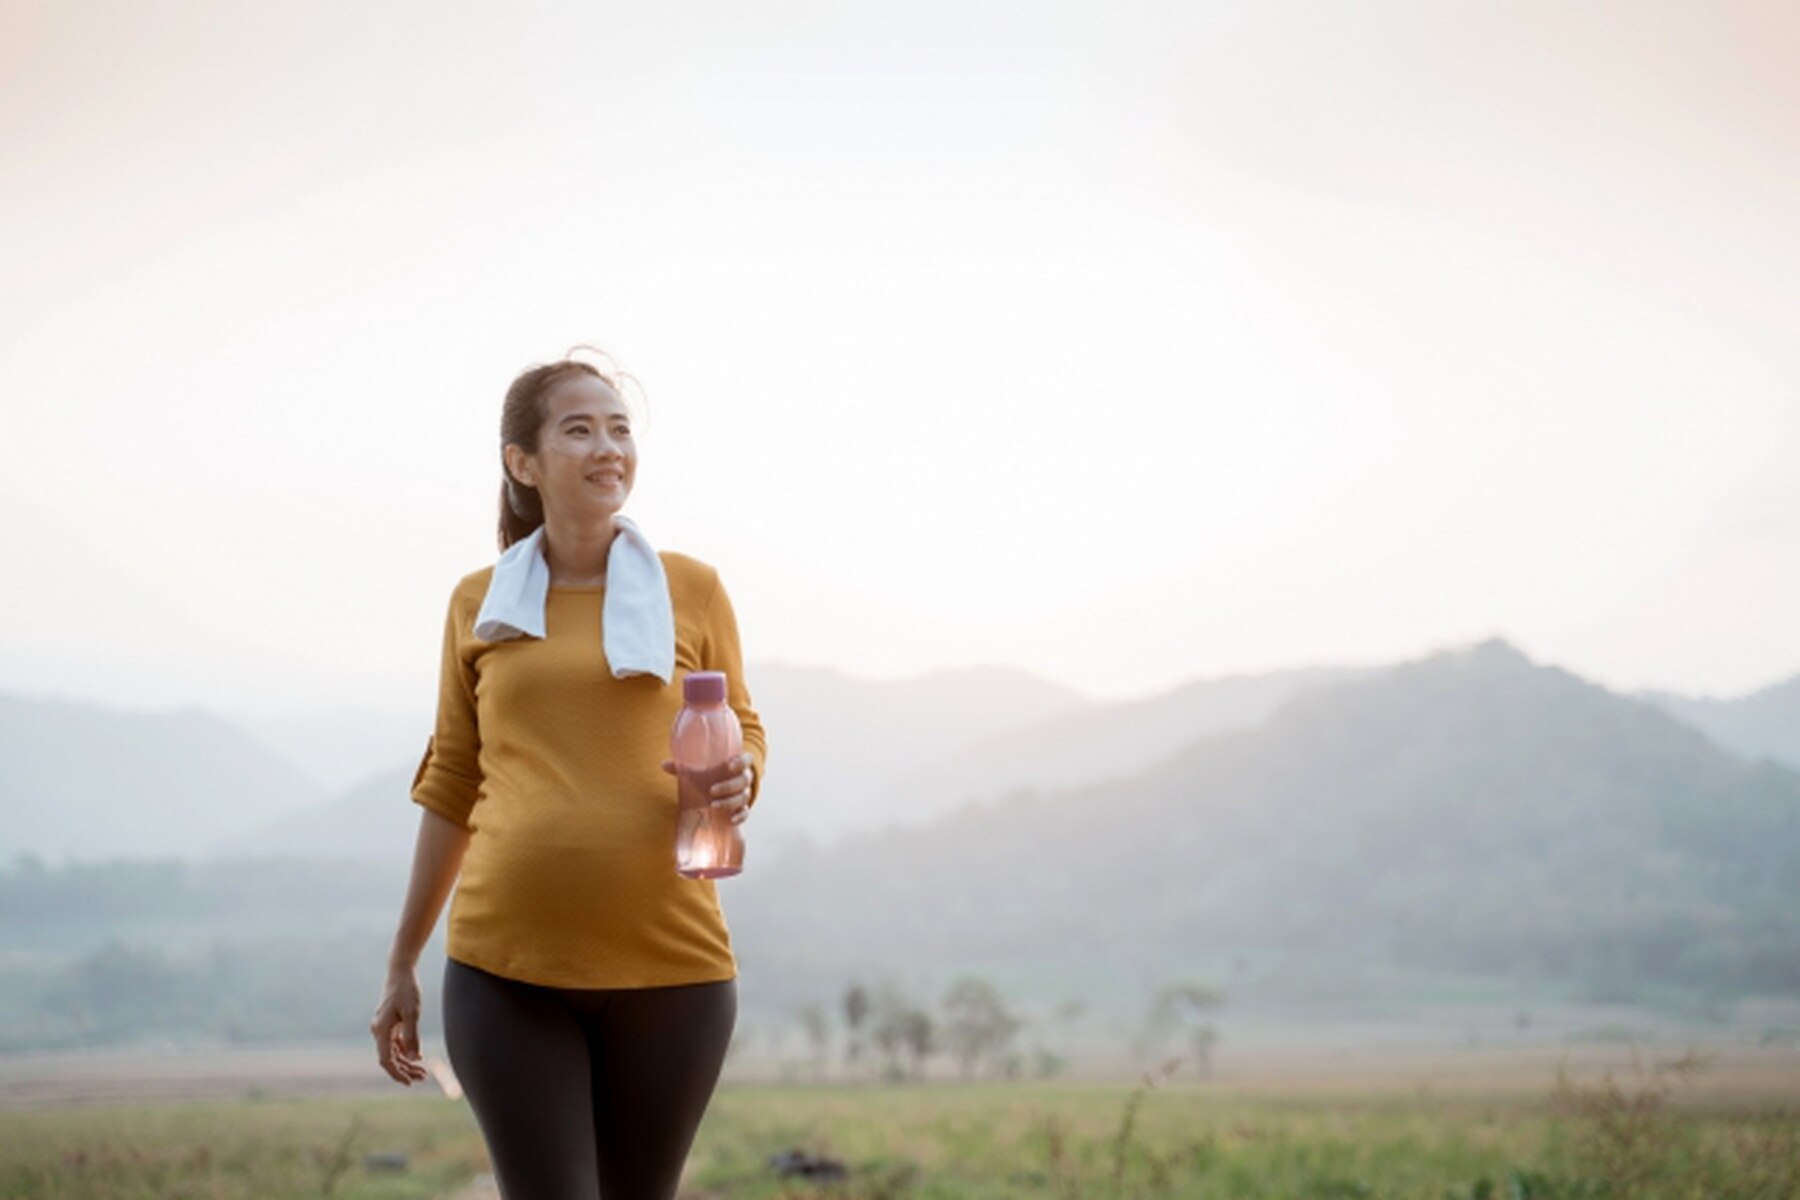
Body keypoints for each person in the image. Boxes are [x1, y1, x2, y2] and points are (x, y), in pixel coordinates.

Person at [370, 353, 766, 1199]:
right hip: (505, 974)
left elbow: (744, 723)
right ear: (523, 462)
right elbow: (452, 782)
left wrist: (743, 775)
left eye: (620, 429)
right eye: (579, 429)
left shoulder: (693, 591)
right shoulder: (479, 601)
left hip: (674, 970)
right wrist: (402, 961)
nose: (608, 447)